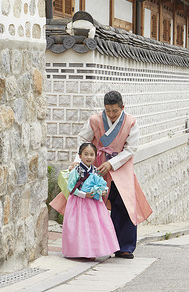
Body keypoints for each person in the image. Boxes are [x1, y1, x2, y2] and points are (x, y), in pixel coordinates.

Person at [74, 90, 152, 259]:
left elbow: (130, 149)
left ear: (122, 107)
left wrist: (112, 163)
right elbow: (82, 138)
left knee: (124, 203)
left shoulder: (130, 122)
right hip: (98, 165)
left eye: (115, 111)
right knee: (94, 204)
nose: (111, 115)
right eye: (108, 111)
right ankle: (94, 246)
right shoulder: (95, 120)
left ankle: (123, 246)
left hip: (120, 166)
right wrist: (83, 158)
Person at [60, 142, 119, 259]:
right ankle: (81, 251)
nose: (88, 157)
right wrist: (83, 194)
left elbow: (102, 184)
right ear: (80, 155)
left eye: (92, 154)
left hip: (94, 203)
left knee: (94, 226)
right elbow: (71, 188)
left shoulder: (95, 170)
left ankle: (93, 250)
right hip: (79, 203)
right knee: (81, 226)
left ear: (95, 156)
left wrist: (104, 191)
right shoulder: (76, 171)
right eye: (85, 154)